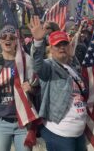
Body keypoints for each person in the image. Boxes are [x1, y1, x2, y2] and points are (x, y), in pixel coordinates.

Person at [29, 16, 87, 151]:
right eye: (57, 45)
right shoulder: (49, 67)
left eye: (64, 44)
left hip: (78, 134)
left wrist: (72, 56)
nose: (62, 47)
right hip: (60, 133)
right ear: (51, 48)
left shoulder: (73, 67)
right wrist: (38, 41)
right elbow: (37, 66)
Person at [0, 25, 39, 151]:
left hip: (23, 122)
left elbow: (36, 90)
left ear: (16, 41)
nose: (8, 39)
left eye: (12, 37)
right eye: (4, 37)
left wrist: (31, 88)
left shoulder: (26, 61)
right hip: (0, 122)